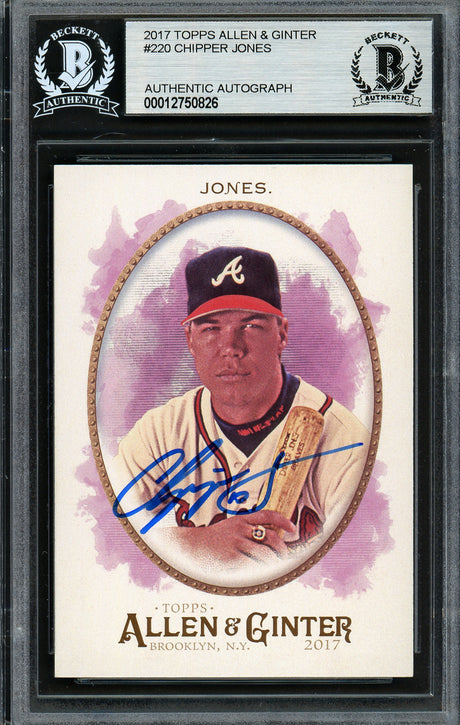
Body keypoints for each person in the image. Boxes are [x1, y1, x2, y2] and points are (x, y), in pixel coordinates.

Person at [112, 246, 370, 577]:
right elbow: (100, 544)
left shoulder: (347, 444)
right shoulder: (159, 433)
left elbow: (364, 576)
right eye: (211, 328)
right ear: (189, 340)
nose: (231, 347)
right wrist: (196, 544)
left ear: (282, 334)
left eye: (250, 326)